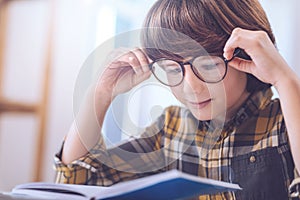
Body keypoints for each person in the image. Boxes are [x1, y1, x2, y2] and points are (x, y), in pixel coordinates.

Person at [54, 0, 300, 199]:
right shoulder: (171, 128)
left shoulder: (285, 121)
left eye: (209, 66)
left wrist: (285, 80)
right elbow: (76, 182)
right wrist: (100, 93)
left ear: (247, 56)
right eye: (172, 70)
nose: (191, 86)